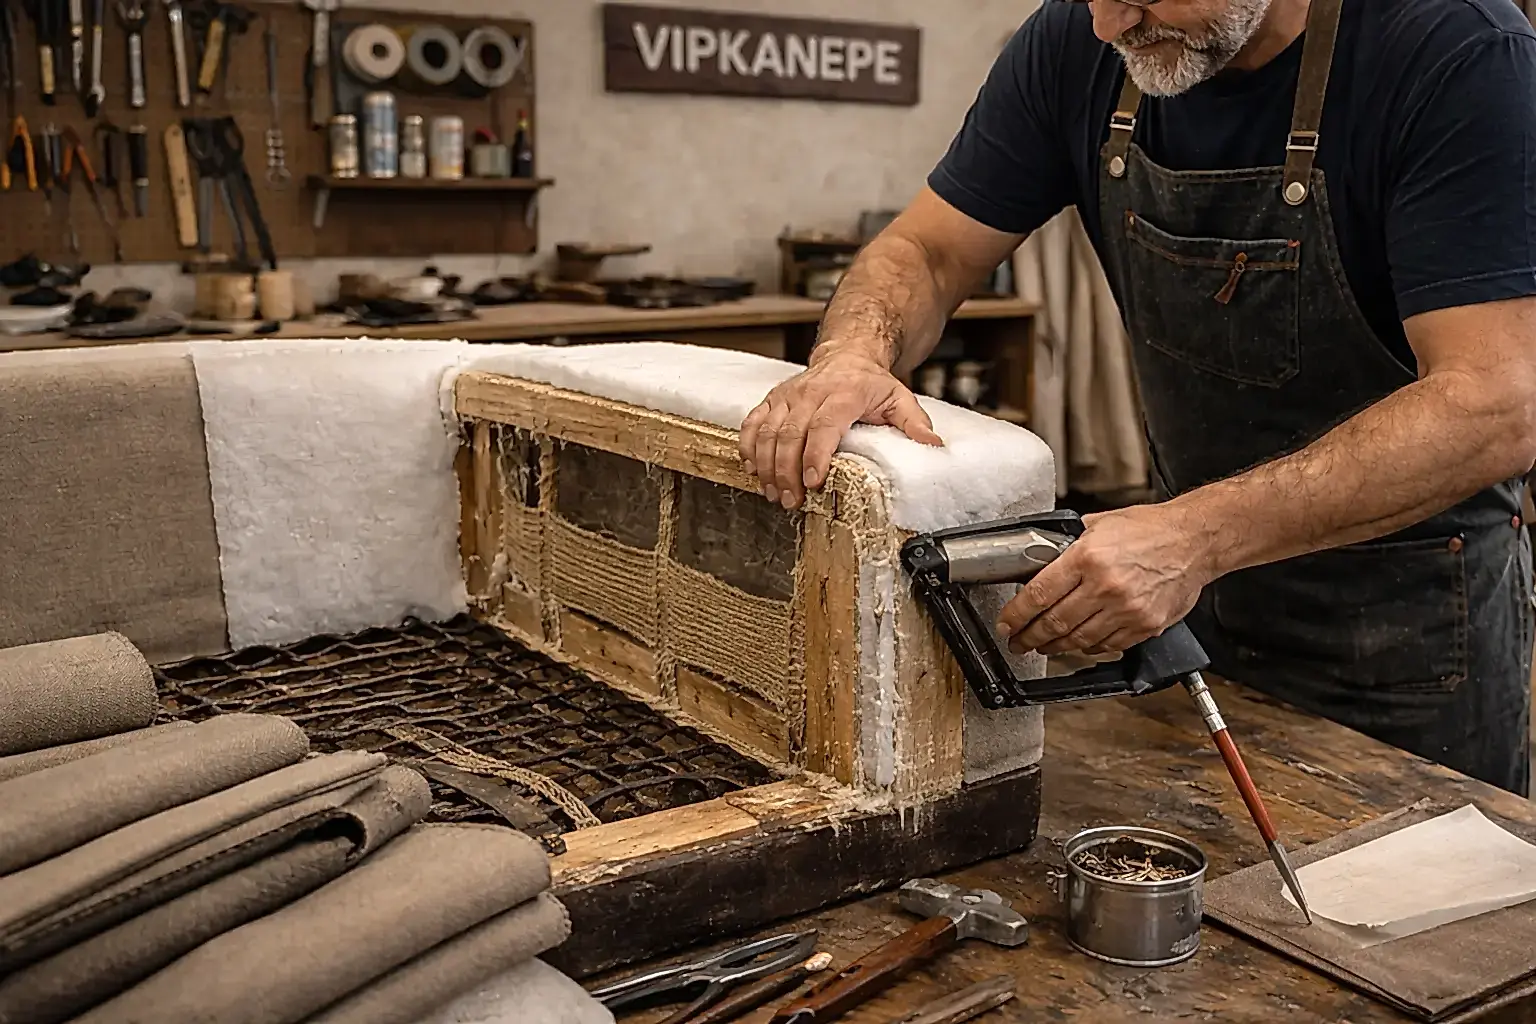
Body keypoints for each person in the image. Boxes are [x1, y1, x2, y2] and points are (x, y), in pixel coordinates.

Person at [738, 0, 1536, 795]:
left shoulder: (1459, 53)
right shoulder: (1078, 43)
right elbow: (928, 250)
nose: (1108, 25)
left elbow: (1497, 400)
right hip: (1186, 607)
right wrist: (850, 356)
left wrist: (1194, 536)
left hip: (1410, 639)